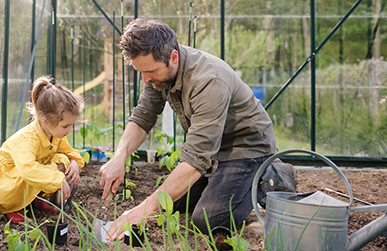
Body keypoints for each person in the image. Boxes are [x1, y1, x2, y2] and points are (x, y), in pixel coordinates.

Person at [100, 18, 292, 240]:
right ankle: (228, 186)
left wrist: (139, 212)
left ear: (173, 57)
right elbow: (143, 116)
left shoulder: (209, 81)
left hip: (245, 148)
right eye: (140, 71)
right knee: (174, 202)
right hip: (214, 149)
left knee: (208, 221)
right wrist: (119, 157)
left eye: (150, 71)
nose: (145, 78)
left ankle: (271, 175)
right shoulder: (157, 72)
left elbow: (195, 162)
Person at [0, 76, 84, 223]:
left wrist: (74, 161)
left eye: (71, 125)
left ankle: (33, 199)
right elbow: (28, 170)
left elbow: (69, 152)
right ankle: (12, 207)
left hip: (22, 178)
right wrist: (59, 181)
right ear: (46, 121)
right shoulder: (27, 139)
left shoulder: (55, 133)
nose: (69, 130)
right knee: (34, 170)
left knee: (62, 159)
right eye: (65, 126)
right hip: (3, 187)